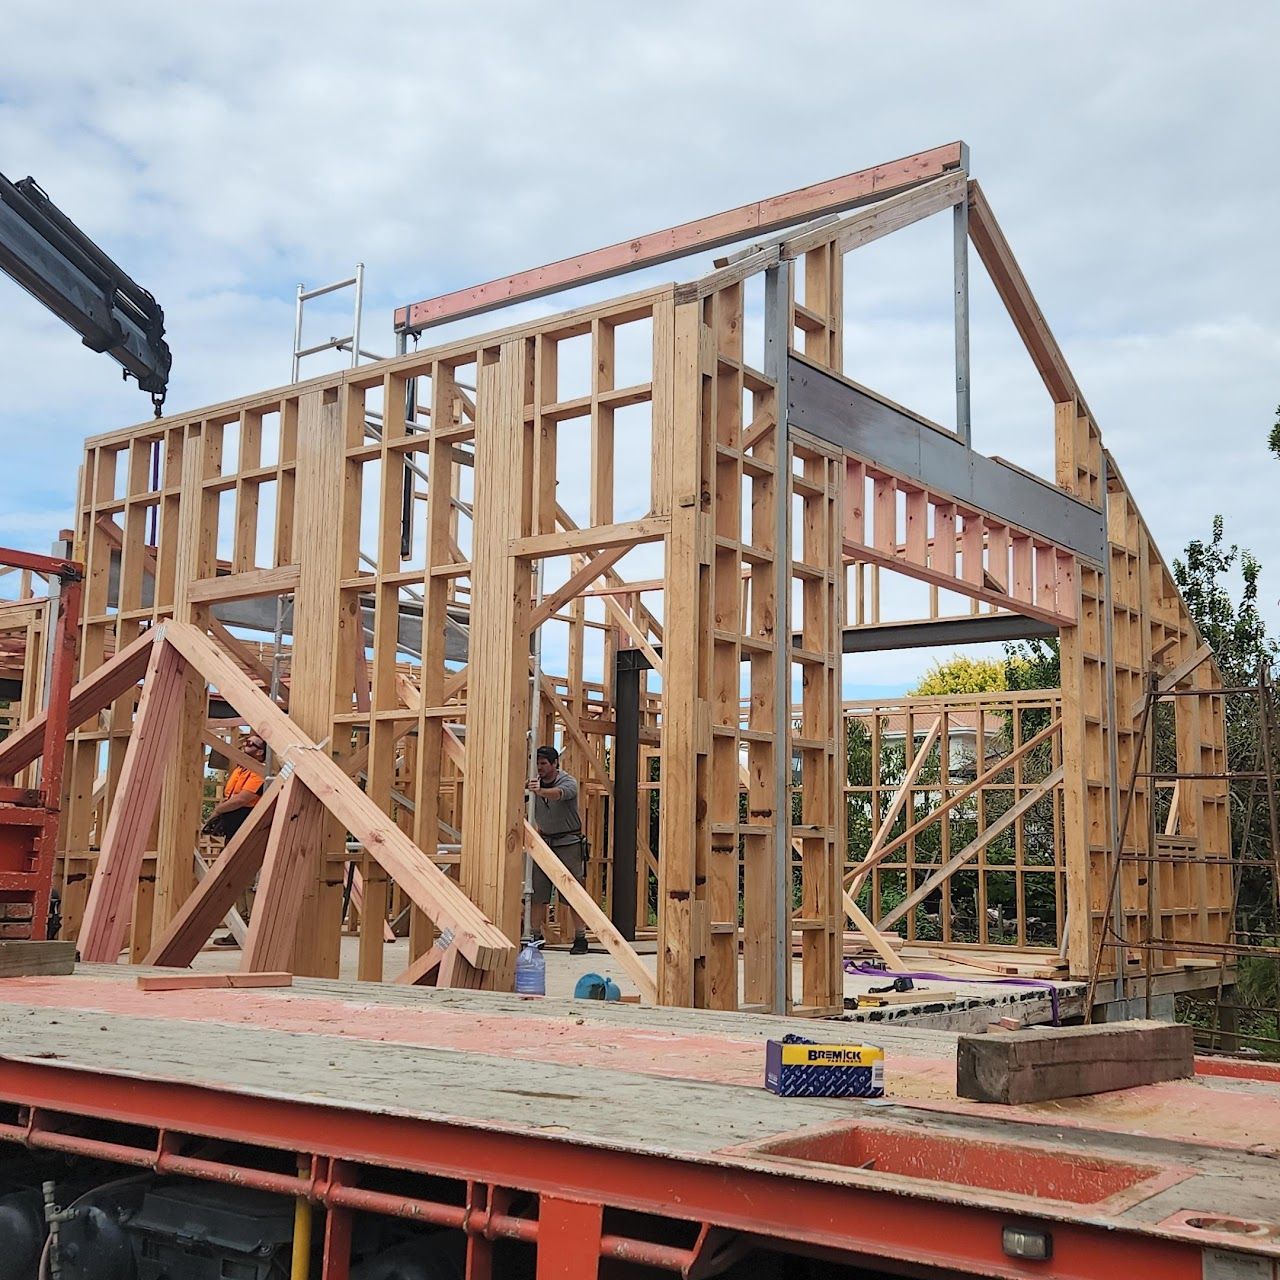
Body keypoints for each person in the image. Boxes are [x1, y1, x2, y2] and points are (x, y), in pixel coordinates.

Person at [525, 745, 589, 955]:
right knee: (537, 892)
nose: (539, 767)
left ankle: (580, 938)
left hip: (568, 843)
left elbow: (559, 794)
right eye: (537, 763)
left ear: (554, 764)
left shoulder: (567, 781)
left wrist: (538, 791)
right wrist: (528, 789)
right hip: (544, 843)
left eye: (544, 763)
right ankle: (535, 936)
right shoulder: (534, 784)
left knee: (572, 892)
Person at [202, 734, 266, 839]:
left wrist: (218, 810)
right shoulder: (240, 769)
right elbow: (231, 795)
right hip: (231, 820)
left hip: (244, 820)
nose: (245, 744)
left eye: (250, 744)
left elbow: (241, 800)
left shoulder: (259, 773)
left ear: (260, 752)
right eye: (246, 741)